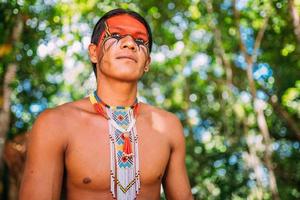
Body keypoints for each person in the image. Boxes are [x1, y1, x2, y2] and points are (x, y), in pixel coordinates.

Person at [19, 8, 193, 200]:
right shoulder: (55, 124)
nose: (130, 44)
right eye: (116, 35)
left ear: (147, 63)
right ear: (94, 53)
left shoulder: (169, 127)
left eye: (140, 40)